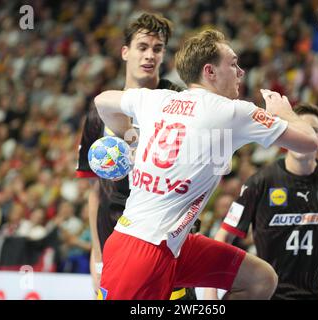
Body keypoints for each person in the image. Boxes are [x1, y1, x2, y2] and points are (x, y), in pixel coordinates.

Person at [93, 29, 318, 300]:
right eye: (233, 64)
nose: (241, 72)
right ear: (210, 72)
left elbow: (102, 101)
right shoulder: (233, 112)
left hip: (169, 244)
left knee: (259, 279)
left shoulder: (154, 99)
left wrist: (128, 136)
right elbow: (309, 142)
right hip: (139, 251)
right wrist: (285, 113)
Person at [75, 13, 196, 300]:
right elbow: (96, 190)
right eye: (142, 47)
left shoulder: (179, 101)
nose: (149, 55)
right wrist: (97, 252)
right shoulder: (101, 109)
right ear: (125, 52)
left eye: (157, 48)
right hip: (115, 242)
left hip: (166, 238)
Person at [206, 103, 318, 300]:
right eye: (297, 130)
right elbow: (223, 237)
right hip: (268, 295)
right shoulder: (261, 181)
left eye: (311, 131)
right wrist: (211, 294)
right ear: (287, 137)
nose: (304, 136)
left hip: (314, 295)